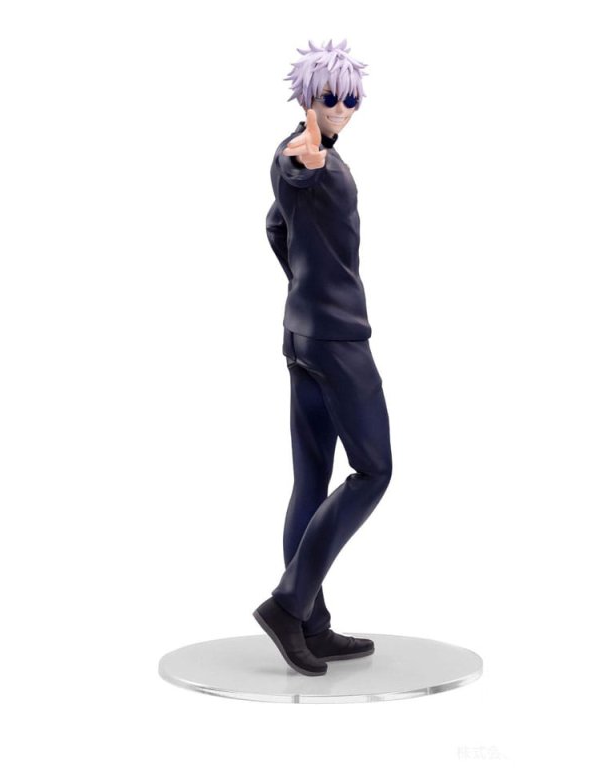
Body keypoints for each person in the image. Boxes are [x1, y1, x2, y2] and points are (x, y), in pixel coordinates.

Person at [252, 40, 393, 676]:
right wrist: (306, 163)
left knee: (311, 480)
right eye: (329, 96)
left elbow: (275, 225)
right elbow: (298, 173)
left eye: (351, 98)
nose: (341, 108)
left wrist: (303, 286)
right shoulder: (305, 155)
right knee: (373, 471)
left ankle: (311, 622)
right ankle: (288, 605)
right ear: (308, 96)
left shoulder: (301, 154)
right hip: (337, 341)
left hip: (300, 332)